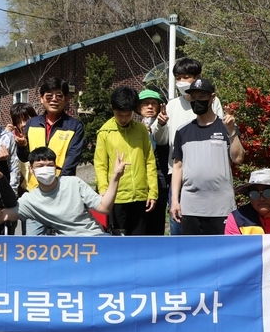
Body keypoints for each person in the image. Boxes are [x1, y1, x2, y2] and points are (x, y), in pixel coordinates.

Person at [151, 58, 224, 236]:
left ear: (197, 77)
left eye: (186, 77)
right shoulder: (171, 105)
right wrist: (160, 125)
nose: (181, 81)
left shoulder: (212, 102)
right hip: (179, 175)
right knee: (178, 224)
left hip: (208, 175)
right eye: (178, 77)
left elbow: (222, 135)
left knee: (209, 226)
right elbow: (161, 140)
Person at [0, 147, 129, 236]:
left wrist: (115, 177)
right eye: (40, 166)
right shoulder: (29, 200)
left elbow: (104, 208)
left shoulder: (74, 183)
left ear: (55, 167)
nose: (45, 169)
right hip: (65, 248)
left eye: (50, 165)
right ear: (31, 169)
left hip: (94, 237)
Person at [170, 78, 244, 235]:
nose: (197, 101)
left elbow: (238, 158)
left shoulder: (227, 127)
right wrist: (175, 201)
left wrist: (231, 131)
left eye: (202, 97)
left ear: (212, 98)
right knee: (192, 249)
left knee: (221, 249)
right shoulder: (182, 131)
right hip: (190, 207)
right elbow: (177, 167)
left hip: (221, 207)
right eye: (193, 97)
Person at [94, 87, 158, 235]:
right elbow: (100, 164)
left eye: (128, 115)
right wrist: (103, 191)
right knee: (118, 240)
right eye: (119, 114)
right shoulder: (105, 132)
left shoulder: (141, 130)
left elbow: (149, 161)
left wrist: (152, 192)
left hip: (141, 197)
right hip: (116, 198)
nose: (123, 119)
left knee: (139, 241)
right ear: (112, 108)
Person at [15, 78, 84, 191]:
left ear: (66, 99)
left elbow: (71, 160)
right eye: (49, 96)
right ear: (41, 99)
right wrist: (21, 147)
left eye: (59, 96)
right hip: (34, 188)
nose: (54, 99)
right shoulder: (32, 124)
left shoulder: (74, 126)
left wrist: (58, 186)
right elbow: (25, 158)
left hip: (61, 187)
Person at [138, 89, 170, 235]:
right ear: (139, 107)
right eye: (146, 103)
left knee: (157, 221)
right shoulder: (133, 128)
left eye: (153, 103)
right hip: (139, 179)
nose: (150, 107)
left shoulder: (165, 126)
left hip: (160, 177)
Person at [7, 102, 38, 196]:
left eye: (26, 119)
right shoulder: (15, 141)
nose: (23, 124)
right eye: (18, 122)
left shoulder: (42, 136)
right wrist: (5, 136)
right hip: (26, 192)